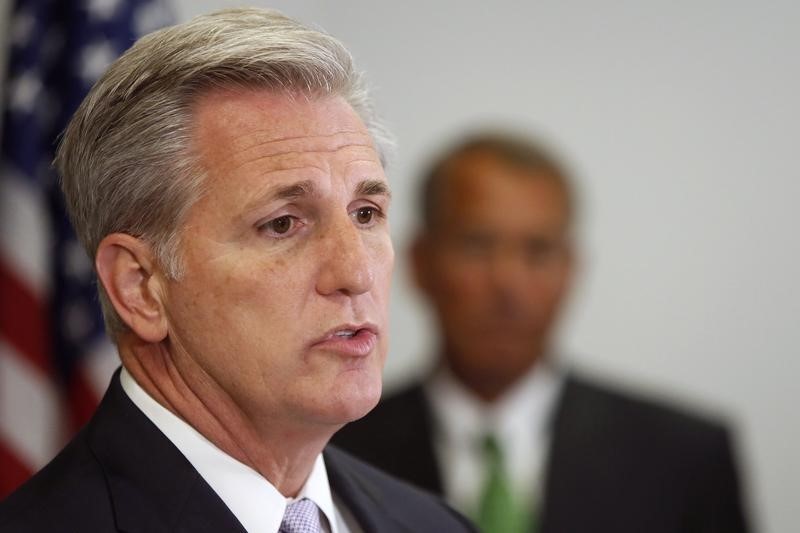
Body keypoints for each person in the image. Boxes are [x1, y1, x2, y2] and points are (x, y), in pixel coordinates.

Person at [0, 8, 476, 533]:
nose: (356, 272)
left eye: (366, 214)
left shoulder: (436, 524)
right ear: (140, 286)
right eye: (282, 224)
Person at [333, 132, 751, 532]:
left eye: (538, 250)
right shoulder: (333, 450)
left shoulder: (685, 459)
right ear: (420, 263)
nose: (508, 282)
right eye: (476, 244)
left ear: (570, 270)